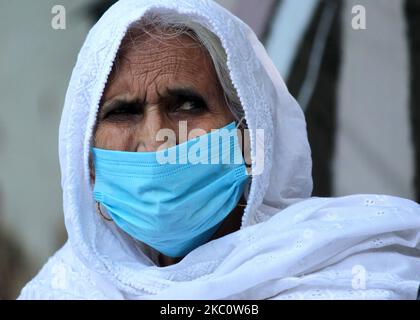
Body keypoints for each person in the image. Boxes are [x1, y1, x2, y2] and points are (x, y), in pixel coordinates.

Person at [19, 0, 420, 299]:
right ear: (87, 163)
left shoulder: (362, 274)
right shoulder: (66, 289)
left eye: (188, 104)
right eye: (122, 112)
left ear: (249, 136)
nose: (158, 137)